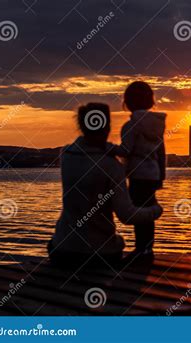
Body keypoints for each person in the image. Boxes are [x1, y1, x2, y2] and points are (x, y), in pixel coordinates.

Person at [49, 102, 163, 268]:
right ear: (108, 127)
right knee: (117, 245)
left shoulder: (66, 154)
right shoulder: (111, 165)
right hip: (100, 255)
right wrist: (156, 210)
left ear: (81, 125)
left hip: (62, 251)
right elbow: (127, 215)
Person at [111, 81, 167, 256]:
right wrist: (161, 177)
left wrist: (107, 149)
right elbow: (161, 153)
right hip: (153, 174)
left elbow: (126, 150)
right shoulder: (157, 126)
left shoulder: (130, 126)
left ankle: (140, 248)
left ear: (127, 103)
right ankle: (147, 248)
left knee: (139, 211)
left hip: (138, 174)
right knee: (148, 210)